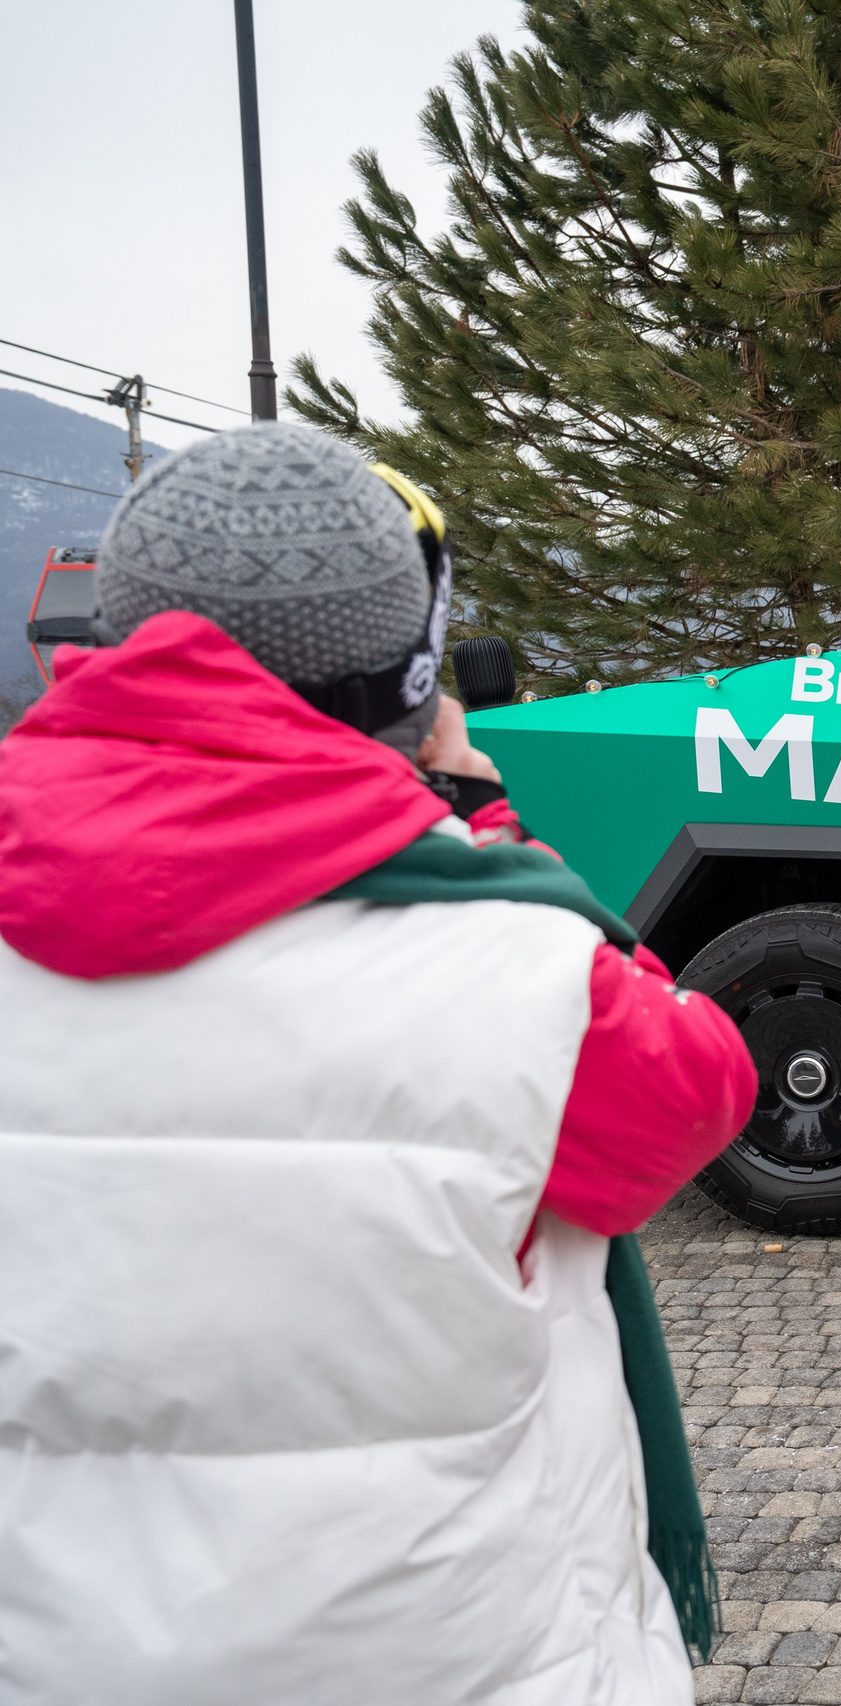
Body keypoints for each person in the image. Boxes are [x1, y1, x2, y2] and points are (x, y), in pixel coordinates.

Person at [0, 423, 757, 1702]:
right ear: (410, 684)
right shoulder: (525, 970)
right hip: (456, 1656)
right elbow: (697, 1090)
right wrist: (480, 827)